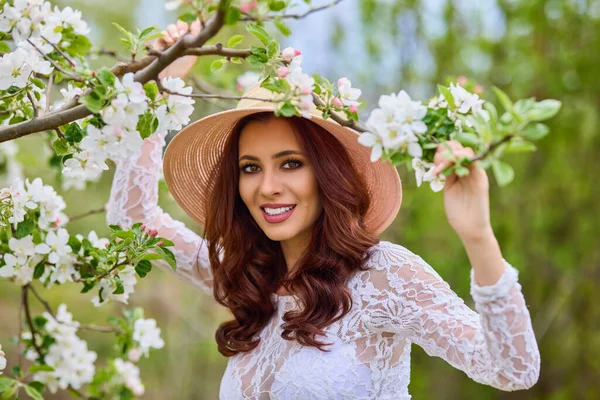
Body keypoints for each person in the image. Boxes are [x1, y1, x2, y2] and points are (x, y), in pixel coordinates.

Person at [106, 20, 540, 399]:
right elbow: (134, 222)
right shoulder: (247, 274)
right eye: (250, 168)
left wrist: (478, 236)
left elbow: (513, 371)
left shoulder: (383, 276)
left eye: (291, 164)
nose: (268, 188)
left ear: (327, 175)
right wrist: (156, 89)